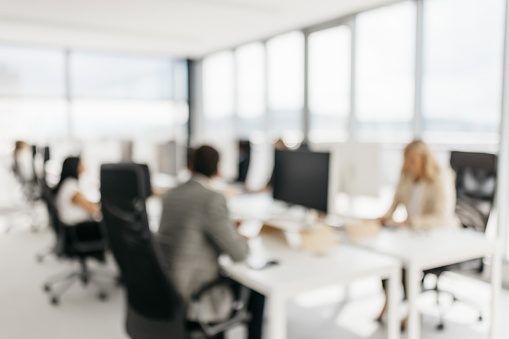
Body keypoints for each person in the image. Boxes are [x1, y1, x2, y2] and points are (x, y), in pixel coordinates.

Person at [157, 145, 265, 339]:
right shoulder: (212, 199)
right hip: (194, 295)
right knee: (258, 290)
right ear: (217, 170)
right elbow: (239, 254)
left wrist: (225, 227)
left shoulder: (170, 194)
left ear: (189, 165)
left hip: (166, 288)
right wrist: (237, 235)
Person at [376, 140, 460, 324]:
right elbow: (395, 202)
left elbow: (442, 217)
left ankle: (413, 309)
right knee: (387, 257)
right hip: (414, 235)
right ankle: (388, 300)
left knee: (406, 261)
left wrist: (411, 222)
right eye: (406, 159)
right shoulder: (406, 175)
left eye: (412, 160)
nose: (408, 164)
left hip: (440, 237)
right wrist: (385, 218)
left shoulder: (440, 178)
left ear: (424, 159)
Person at [53, 157, 103, 243]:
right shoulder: (72, 188)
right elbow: (94, 211)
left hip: (71, 228)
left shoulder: (67, 183)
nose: (84, 165)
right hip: (77, 230)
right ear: (75, 166)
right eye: (81, 163)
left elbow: (86, 203)